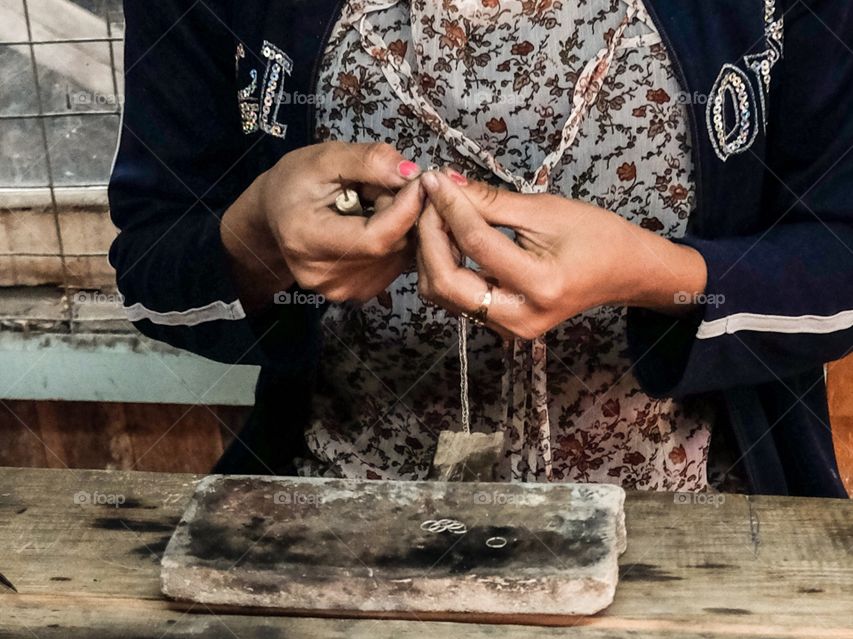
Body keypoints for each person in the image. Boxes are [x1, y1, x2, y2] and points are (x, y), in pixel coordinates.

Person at [110, 0, 852, 494]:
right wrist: (258, 241)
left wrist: (662, 275)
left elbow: (837, 254)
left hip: (691, 522)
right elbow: (152, 266)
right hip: (336, 523)